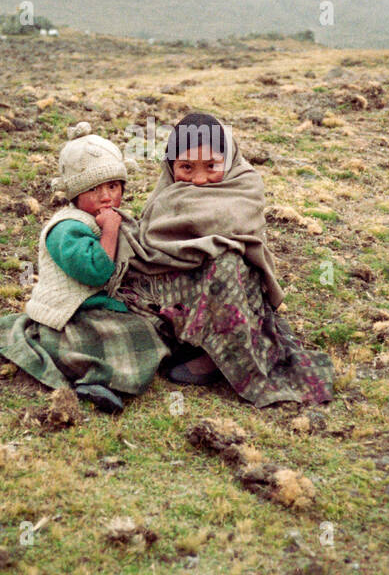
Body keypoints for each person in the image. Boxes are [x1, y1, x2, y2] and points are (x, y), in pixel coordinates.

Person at [116, 113, 334, 407]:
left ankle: (218, 356)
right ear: (170, 165)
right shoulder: (166, 193)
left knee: (226, 261)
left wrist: (209, 247)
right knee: (126, 287)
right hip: (178, 278)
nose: (199, 179)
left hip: (232, 285)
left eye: (211, 166)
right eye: (186, 167)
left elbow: (241, 237)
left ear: (228, 159)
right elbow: (151, 242)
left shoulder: (244, 186)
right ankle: (178, 339)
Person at [0, 134, 168, 414]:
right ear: (76, 194)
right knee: (128, 336)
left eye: (113, 186)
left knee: (148, 327)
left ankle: (112, 373)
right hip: (67, 315)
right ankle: (95, 381)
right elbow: (96, 272)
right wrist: (110, 231)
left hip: (91, 306)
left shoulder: (99, 217)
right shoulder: (67, 229)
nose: (106, 196)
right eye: (94, 189)